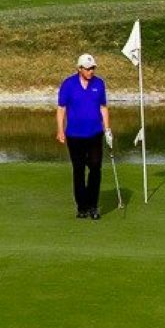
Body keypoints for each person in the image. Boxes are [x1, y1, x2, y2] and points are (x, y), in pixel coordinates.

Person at [56, 53, 113, 218]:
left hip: (95, 133)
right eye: (87, 69)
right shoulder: (68, 84)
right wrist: (60, 130)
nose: (91, 71)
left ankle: (93, 206)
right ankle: (82, 207)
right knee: (79, 169)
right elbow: (61, 109)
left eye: (93, 68)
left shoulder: (99, 84)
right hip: (74, 135)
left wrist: (107, 129)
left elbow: (103, 107)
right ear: (79, 69)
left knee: (95, 167)